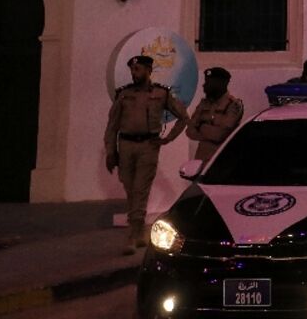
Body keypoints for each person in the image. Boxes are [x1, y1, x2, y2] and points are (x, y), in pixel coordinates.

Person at [104, 55, 189, 254]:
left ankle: (133, 236)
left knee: (140, 189)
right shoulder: (124, 95)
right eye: (133, 70)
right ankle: (140, 230)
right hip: (125, 145)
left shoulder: (161, 93)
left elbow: (183, 117)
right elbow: (112, 126)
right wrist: (110, 151)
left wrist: (167, 139)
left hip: (148, 146)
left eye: (139, 70)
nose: (135, 74)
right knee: (130, 188)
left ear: (149, 71)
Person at [185, 67, 243, 162]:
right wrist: (210, 130)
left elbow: (219, 135)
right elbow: (190, 131)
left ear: (221, 84)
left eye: (208, 82)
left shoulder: (233, 105)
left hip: (221, 162)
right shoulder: (204, 103)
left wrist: (201, 126)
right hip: (201, 161)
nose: (204, 85)